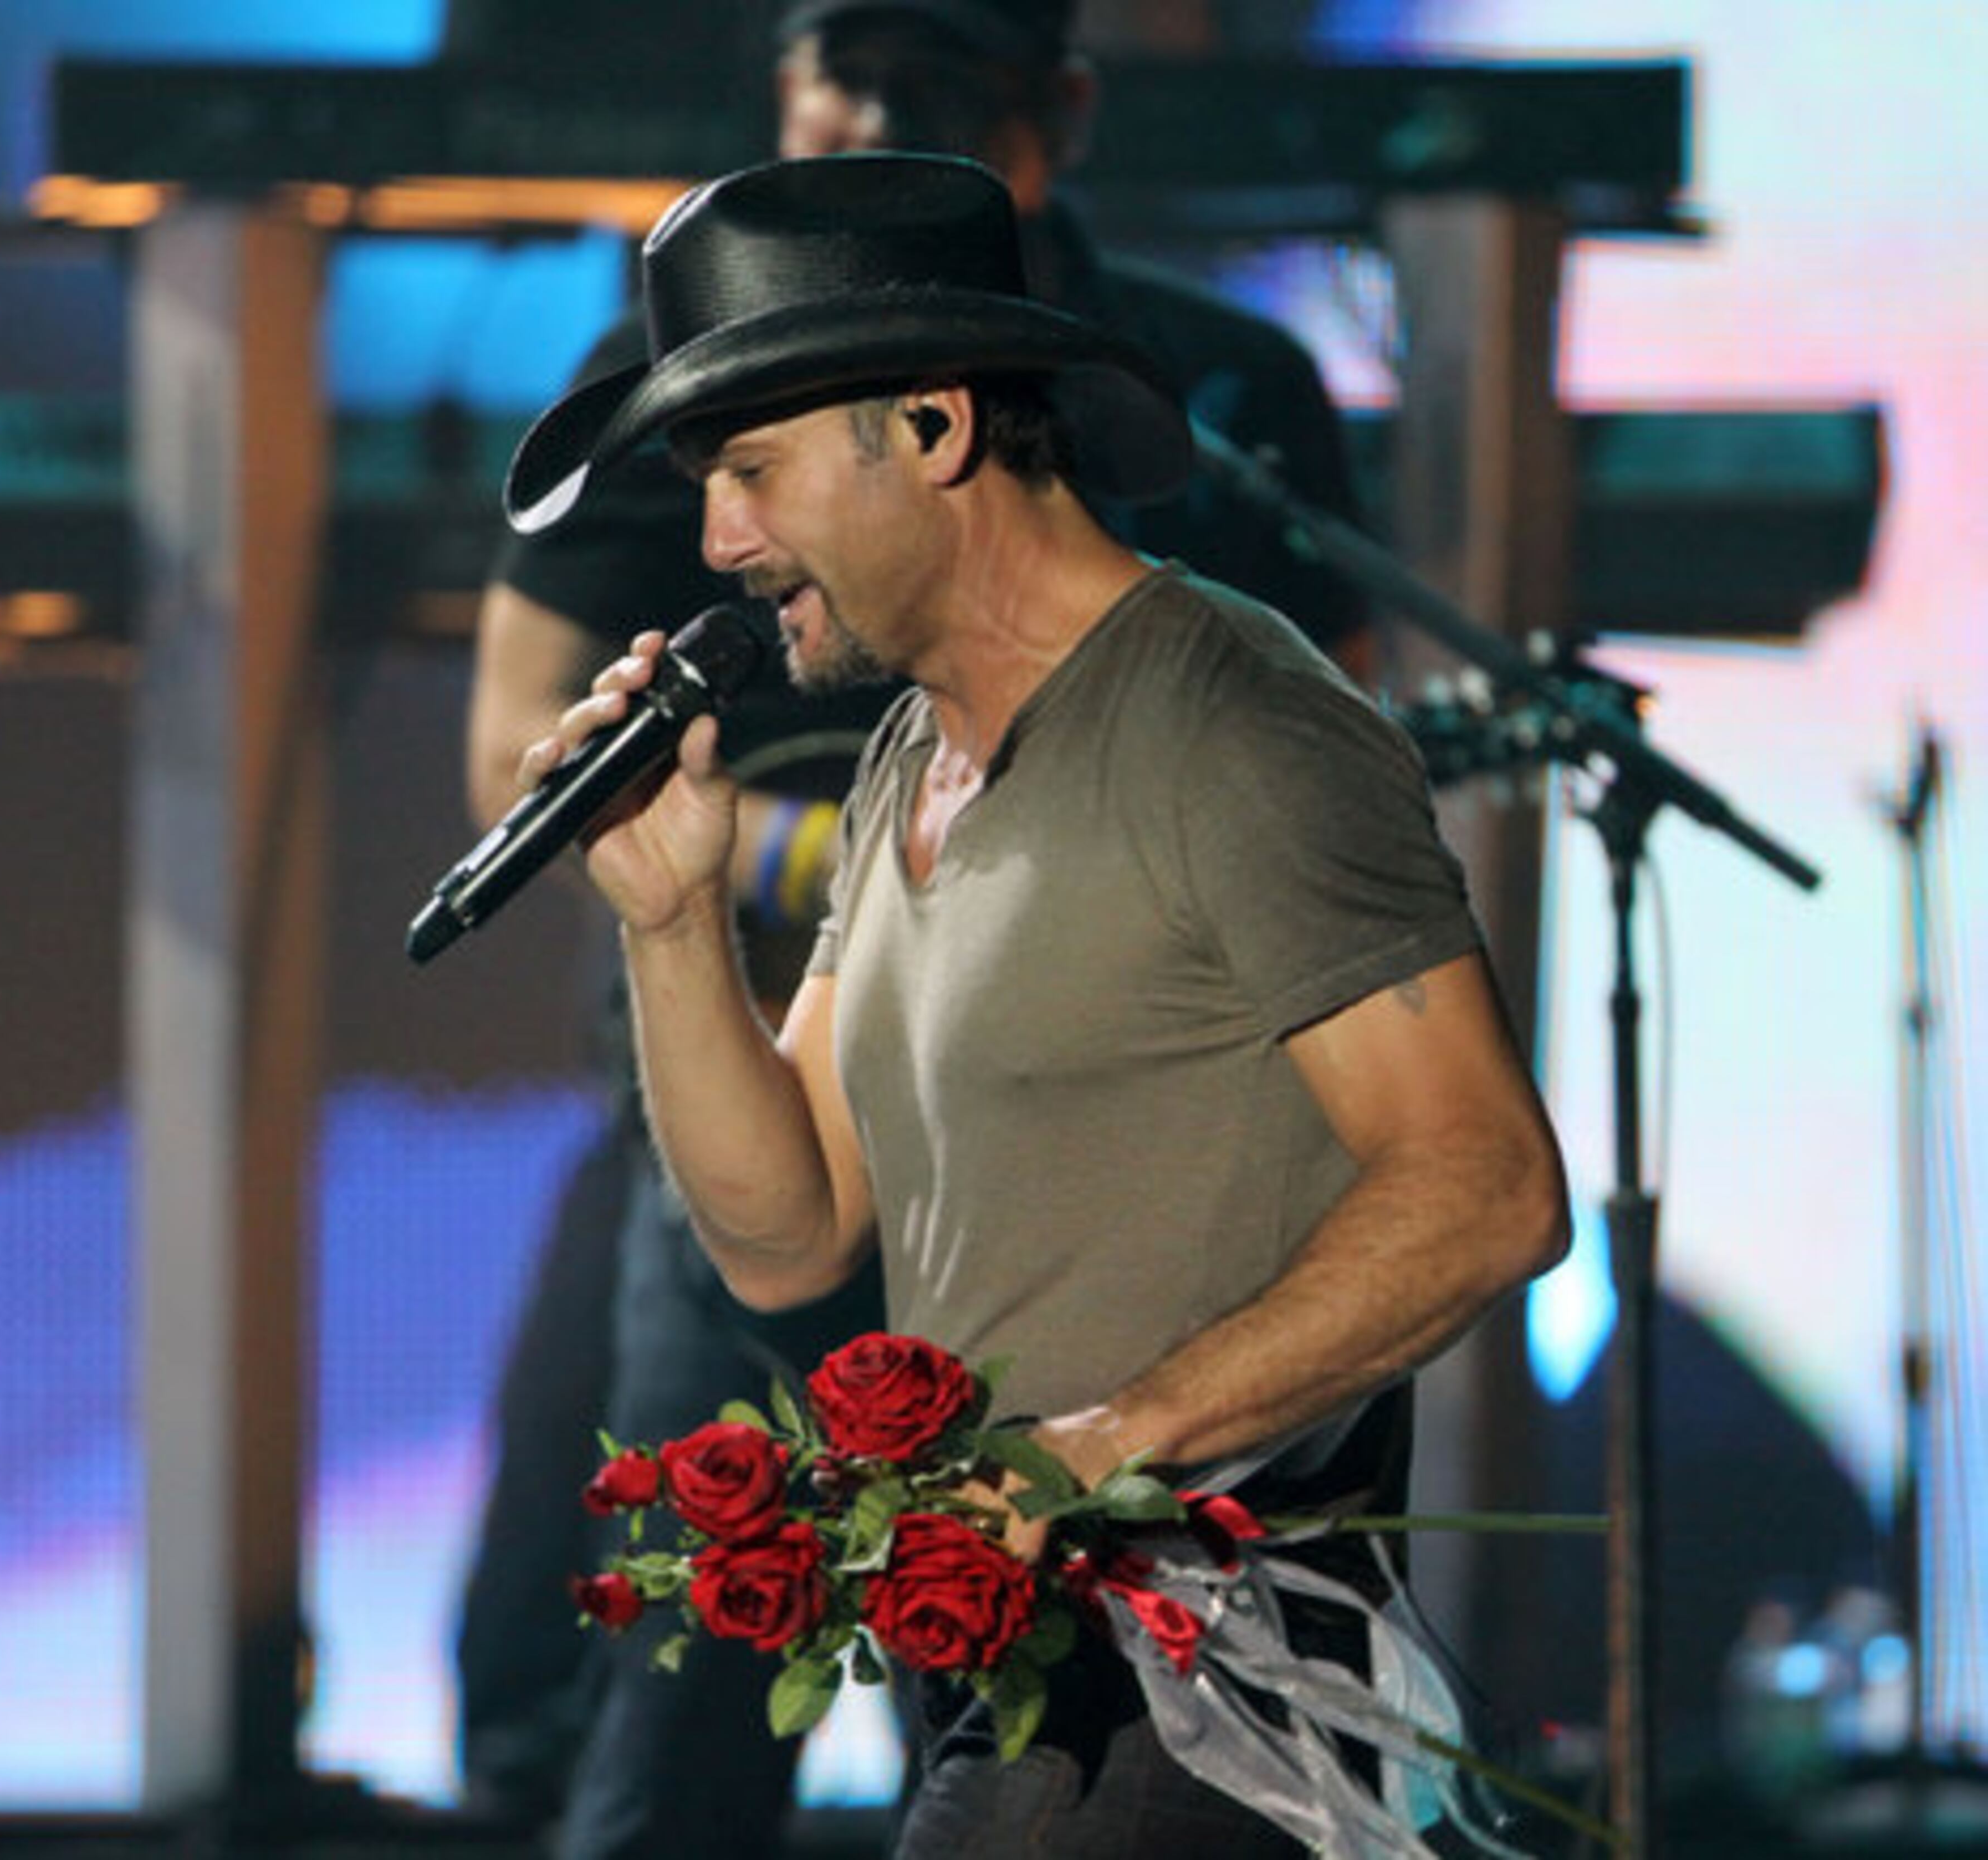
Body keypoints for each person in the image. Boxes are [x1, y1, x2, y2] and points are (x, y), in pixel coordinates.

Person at [504, 150, 1570, 1859]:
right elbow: (791, 1236)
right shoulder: (911, 761)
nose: (718, 541)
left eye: (754, 471)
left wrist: (1102, 1448)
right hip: (1012, 1687)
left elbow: (1490, 1186)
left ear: (931, 426)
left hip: (1214, 1697)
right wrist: (672, 916)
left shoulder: (1233, 722)